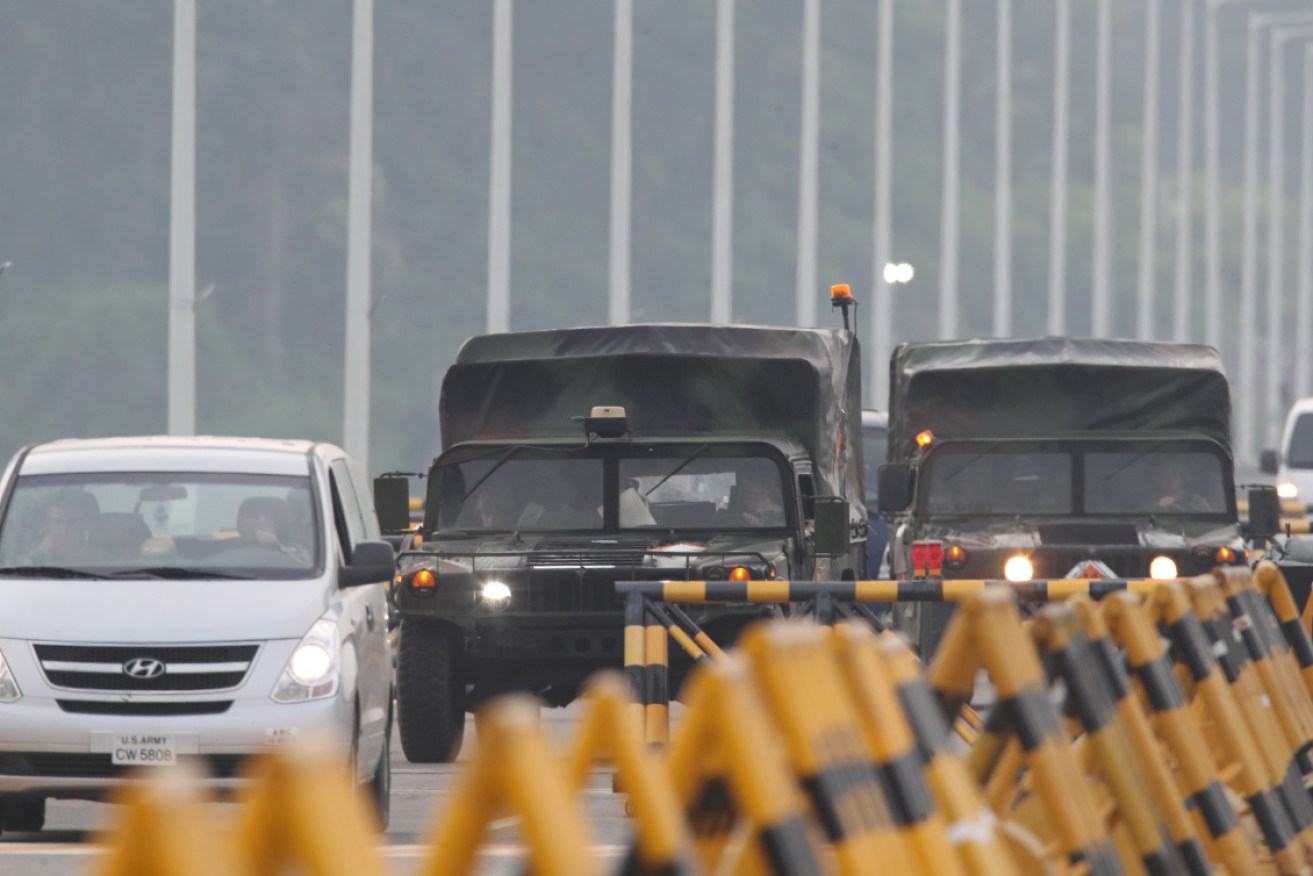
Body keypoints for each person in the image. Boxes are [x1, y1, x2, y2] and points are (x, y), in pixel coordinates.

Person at [23, 492, 98, 564]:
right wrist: (41, 553)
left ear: (84, 525)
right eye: (58, 522)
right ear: (48, 526)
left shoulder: (97, 556)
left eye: (72, 522)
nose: (65, 530)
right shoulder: (38, 555)